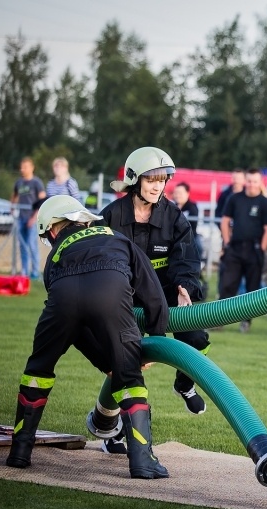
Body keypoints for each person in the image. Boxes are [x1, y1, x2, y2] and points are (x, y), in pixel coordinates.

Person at [5, 195, 170, 479]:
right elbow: (152, 290)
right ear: (82, 220)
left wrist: (103, 361)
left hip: (62, 298)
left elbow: (75, 328)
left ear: (53, 228)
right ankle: (143, 462)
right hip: (111, 292)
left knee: (37, 370)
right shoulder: (116, 237)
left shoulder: (55, 255)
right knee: (129, 378)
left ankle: (19, 452)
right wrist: (155, 338)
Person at [95, 146, 209, 455]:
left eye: (162, 180)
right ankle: (113, 431)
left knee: (197, 339)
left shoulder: (173, 216)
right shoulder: (111, 216)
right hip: (125, 296)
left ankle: (184, 384)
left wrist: (185, 287)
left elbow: (187, 257)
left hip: (168, 292)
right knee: (127, 362)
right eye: (151, 180)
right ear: (135, 180)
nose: (158, 187)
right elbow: (99, 260)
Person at [218, 168, 267, 332]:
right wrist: (227, 243)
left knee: (252, 288)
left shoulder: (265, 203)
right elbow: (225, 221)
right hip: (235, 248)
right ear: (245, 182)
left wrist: (262, 248)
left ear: (260, 182)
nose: (251, 184)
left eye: (255, 181)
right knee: (227, 284)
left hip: (254, 249)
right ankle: (218, 320)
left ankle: (246, 321)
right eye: (249, 181)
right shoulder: (234, 198)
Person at [11, 156, 47, 280]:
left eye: (25, 167)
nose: (22, 169)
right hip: (21, 218)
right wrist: (12, 208)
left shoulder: (37, 183)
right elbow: (14, 196)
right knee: (23, 245)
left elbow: (42, 201)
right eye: (21, 167)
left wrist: (34, 218)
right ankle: (24, 272)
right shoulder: (19, 183)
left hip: (33, 219)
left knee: (32, 245)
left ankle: (35, 272)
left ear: (32, 168)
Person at [172, 182, 203, 260]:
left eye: (180, 193)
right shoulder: (172, 207)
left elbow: (192, 226)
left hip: (189, 237)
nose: (177, 195)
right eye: (176, 193)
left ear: (187, 193)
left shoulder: (192, 207)